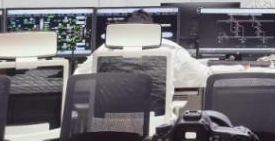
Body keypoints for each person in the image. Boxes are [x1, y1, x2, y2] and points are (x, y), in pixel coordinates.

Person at [76, 9, 210, 90]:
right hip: (156, 123)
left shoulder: (104, 51)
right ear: (153, 28)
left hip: (108, 125)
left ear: (126, 28)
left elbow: (77, 82)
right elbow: (203, 77)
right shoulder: (171, 50)